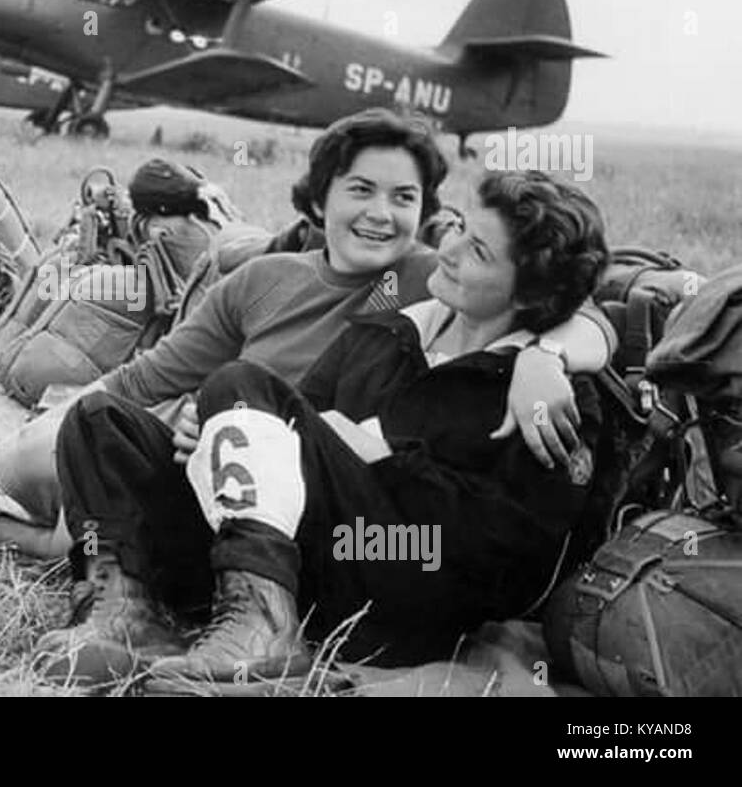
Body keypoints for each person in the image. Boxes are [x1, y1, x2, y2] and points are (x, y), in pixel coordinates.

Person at [0, 109, 615, 558]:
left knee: (92, 537)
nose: (381, 214)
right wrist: (5, 450)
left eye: (404, 198)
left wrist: (546, 354)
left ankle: (20, 536)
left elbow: (579, 302)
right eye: (360, 190)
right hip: (206, 453)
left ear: (426, 213)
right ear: (320, 198)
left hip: (308, 504)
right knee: (64, 458)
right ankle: (30, 514)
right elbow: (142, 377)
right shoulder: (262, 280)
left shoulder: (433, 274)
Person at [35, 170, 610, 686]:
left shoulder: (553, 398)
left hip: (395, 590)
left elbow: (513, 561)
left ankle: (266, 630)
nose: (450, 250)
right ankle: (126, 612)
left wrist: (374, 455)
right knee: (100, 421)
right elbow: (290, 425)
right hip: (287, 556)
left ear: (532, 293)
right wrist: (217, 434)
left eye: (479, 251)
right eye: (457, 226)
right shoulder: (384, 331)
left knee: (244, 382)